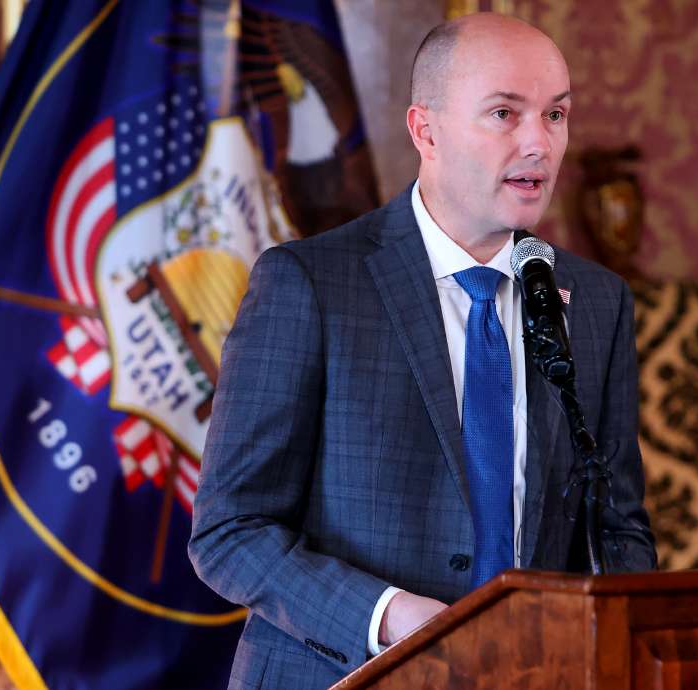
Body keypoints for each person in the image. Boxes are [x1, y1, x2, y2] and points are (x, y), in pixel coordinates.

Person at [189, 12, 656, 690]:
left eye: (556, 115)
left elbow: (619, 531)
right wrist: (391, 618)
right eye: (505, 113)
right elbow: (230, 531)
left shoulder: (597, 302)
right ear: (425, 130)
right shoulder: (311, 285)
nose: (539, 143)